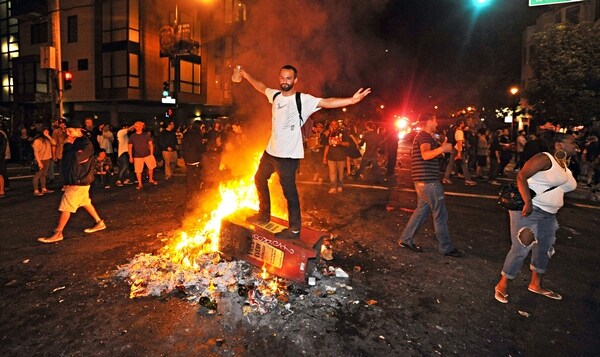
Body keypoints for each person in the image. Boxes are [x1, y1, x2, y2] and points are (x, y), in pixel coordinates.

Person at [237, 64, 370, 239]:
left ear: (295, 80)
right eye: (282, 78)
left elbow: (327, 102)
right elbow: (261, 86)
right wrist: (246, 75)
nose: (285, 81)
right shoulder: (275, 95)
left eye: (289, 78)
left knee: (289, 193)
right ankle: (264, 214)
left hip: (288, 157)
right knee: (259, 178)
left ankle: (294, 229)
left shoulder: (302, 100)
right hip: (270, 152)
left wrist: (351, 100)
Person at [494, 132, 578, 304]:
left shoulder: (564, 165)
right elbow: (521, 176)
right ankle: (502, 284)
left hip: (549, 214)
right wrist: (527, 202)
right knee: (521, 248)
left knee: (544, 248)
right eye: (572, 142)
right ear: (558, 145)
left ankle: (535, 284)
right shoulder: (545, 158)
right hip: (530, 210)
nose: (575, 145)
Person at [397, 113, 462, 257]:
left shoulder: (425, 137)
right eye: (435, 120)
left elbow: (429, 155)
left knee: (422, 211)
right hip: (429, 182)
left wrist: (443, 150)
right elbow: (425, 154)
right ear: (430, 121)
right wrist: (442, 150)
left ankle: (406, 239)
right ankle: (446, 248)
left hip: (422, 182)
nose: (437, 123)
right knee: (440, 215)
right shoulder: (424, 137)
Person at [38, 120, 106, 244]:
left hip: (79, 180)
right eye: (66, 131)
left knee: (66, 206)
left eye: (70, 131)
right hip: (78, 179)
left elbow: (77, 158)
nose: (67, 133)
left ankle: (58, 232)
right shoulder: (76, 142)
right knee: (85, 202)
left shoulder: (85, 143)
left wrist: (68, 145)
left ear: (79, 130)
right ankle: (99, 222)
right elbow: (68, 160)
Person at [442, 118, 477, 186]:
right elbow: (459, 142)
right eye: (463, 122)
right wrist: (459, 152)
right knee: (464, 164)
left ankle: (446, 178)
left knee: (451, 164)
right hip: (458, 149)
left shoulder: (455, 130)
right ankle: (467, 180)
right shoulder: (460, 132)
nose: (464, 124)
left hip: (454, 148)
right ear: (461, 123)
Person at [323, 119, 351, 193]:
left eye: (335, 124)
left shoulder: (343, 133)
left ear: (338, 125)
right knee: (332, 173)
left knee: (340, 173)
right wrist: (324, 157)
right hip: (331, 157)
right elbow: (327, 146)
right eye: (332, 124)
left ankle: (340, 185)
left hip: (341, 157)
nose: (334, 126)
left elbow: (348, 144)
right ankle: (333, 187)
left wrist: (340, 143)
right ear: (330, 125)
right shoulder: (329, 134)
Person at [128, 121, 158, 189]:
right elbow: (129, 147)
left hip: (147, 155)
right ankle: (140, 184)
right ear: (135, 127)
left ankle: (150, 179)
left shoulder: (146, 135)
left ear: (142, 127)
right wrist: (130, 156)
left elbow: (151, 144)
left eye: (140, 126)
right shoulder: (132, 136)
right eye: (137, 126)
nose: (138, 128)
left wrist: (151, 154)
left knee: (151, 167)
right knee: (138, 171)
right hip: (137, 156)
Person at [181, 120, 207, 197]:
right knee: (197, 174)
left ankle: (190, 190)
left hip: (187, 158)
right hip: (195, 158)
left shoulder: (186, 134)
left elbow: (183, 146)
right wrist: (204, 146)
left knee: (189, 174)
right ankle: (198, 189)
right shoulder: (197, 135)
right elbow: (199, 147)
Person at [32, 127, 57, 196]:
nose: (47, 132)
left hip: (47, 158)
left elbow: (54, 143)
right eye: (46, 131)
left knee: (44, 174)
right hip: (40, 159)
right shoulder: (37, 141)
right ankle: (36, 190)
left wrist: (48, 136)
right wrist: (39, 162)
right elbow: (36, 152)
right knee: (38, 175)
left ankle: (43, 188)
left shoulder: (47, 139)